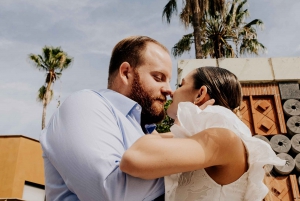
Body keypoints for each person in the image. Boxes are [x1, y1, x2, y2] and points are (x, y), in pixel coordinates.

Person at [120, 67, 285, 201]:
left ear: (200, 94)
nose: (171, 92)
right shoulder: (212, 139)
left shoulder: (223, 138)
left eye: (181, 85)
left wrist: (181, 125)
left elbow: (134, 157)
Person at [40, 36, 174, 201]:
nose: (169, 90)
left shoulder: (144, 130)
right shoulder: (84, 104)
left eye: (169, 81)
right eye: (159, 78)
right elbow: (110, 193)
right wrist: (193, 161)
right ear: (125, 73)